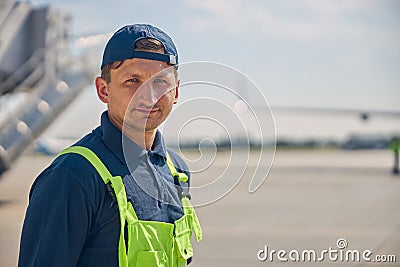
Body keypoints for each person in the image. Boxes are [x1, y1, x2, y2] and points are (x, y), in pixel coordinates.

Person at [18, 24, 202, 267]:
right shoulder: (72, 177)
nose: (147, 96)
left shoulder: (176, 171)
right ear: (103, 90)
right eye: (132, 80)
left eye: (160, 82)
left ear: (176, 91)